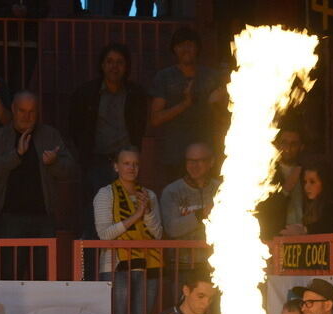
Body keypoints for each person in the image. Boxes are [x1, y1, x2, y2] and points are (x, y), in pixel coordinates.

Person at [0, 91, 78, 277]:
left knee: (43, 276)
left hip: (43, 218)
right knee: (10, 276)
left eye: (32, 112)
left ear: (38, 113)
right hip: (9, 218)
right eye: (22, 111)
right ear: (12, 110)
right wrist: (16, 155)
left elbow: (70, 170)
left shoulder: (50, 135)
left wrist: (54, 163)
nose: (26, 116)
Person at [94, 146, 163, 314]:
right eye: (126, 163)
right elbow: (104, 235)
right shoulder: (105, 194)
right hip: (116, 266)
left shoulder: (149, 195)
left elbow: (157, 233)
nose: (131, 168)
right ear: (116, 166)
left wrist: (148, 212)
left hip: (147, 266)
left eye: (135, 164)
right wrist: (135, 216)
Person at [68, 43, 148, 238]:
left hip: (126, 163)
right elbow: (74, 127)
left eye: (120, 62)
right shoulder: (86, 93)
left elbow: (140, 126)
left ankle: (122, 266)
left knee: (128, 215)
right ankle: (91, 267)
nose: (114, 66)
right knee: (93, 219)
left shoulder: (135, 94)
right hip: (96, 162)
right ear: (102, 65)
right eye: (110, 61)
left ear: (126, 66)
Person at [150, 27, 225, 177]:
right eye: (180, 45)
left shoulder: (212, 77)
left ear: (197, 47)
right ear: (174, 49)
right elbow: (155, 119)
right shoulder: (164, 77)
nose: (185, 49)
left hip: (208, 155)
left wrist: (213, 105)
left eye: (190, 44)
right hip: (176, 156)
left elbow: (226, 118)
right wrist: (185, 104)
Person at [159, 142, 218, 270]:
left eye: (199, 161)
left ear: (211, 162)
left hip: (217, 263)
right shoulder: (172, 191)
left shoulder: (222, 189)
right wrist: (201, 214)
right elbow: (172, 229)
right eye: (190, 161)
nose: (193, 166)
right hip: (181, 264)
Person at [258, 124, 305, 240]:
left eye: (293, 144)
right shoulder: (266, 173)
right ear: (278, 145)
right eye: (284, 143)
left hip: (306, 236)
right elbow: (264, 209)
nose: (288, 148)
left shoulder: (308, 171)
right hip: (277, 237)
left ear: (301, 147)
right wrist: (286, 189)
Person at [294, 160, 333, 236]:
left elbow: (328, 225)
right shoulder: (307, 207)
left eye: (312, 182)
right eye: (305, 182)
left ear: (324, 182)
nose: (306, 187)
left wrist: (305, 230)